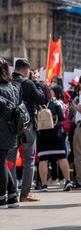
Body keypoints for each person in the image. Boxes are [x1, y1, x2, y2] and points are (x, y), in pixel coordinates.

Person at [7, 59, 45, 202]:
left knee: (9, 159)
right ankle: (24, 194)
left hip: (11, 126)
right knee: (29, 158)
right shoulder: (27, 83)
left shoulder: (8, 82)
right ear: (26, 71)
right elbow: (41, 98)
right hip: (27, 123)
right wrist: (35, 81)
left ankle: (10, 192)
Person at [36, 85, 73, 192]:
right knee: (61, 157)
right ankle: (67, 181)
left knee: (43, 159)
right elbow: (62, 118)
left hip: (42, 134)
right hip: (55, 133)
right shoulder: (56, 103)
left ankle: (43, 185)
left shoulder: (37, 104)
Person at [0, 57, 20, 208]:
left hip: (1, 130)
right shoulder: (13, 86)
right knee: (3, 163)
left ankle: (2, 198)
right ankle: (13, 196)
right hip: (11, 130)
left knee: (1, 164)